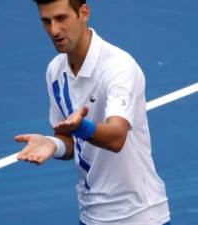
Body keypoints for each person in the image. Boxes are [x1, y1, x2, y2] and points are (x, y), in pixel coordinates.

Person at [15, 0, 170, 224]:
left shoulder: (118, 67)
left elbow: (116, 137)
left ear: (83, 13)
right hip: (91, 215)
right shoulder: (55, 71)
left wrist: (82, 127)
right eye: (46, 21)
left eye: (61, 18)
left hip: (140, 216)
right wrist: (53, 145)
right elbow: (70, 140)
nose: (54, 30)